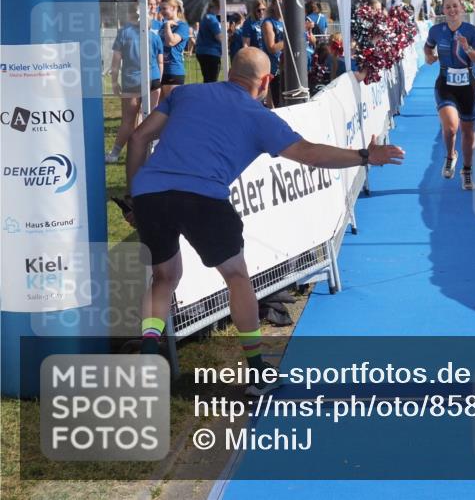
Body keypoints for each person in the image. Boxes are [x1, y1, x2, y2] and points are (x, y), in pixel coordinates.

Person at [121, 47, 404, 391]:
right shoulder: (258, 116)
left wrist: (135, 198)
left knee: (164, 278)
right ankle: (257, 372)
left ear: (229, 72)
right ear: (267, 80)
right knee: (237, 277)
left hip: (151, 193)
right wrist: (365, 156)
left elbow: (138, 137)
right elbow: (311, 154)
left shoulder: (185, 93)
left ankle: (148, 354)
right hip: (203, 198)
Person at [424, 0, 475, 190]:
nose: (452, 10)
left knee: (467, 131)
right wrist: (429, 57)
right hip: (445, 85)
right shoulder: (436, 30)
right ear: (443, 10)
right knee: (451, 127)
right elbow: (428, 47)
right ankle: (451, 155)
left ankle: (467, 170)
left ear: (461, 8)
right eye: (448, 7)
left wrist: (468, 49)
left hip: (468, 87)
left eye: (455, 6)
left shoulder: (472, 31)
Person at [106, 4, 165, 163]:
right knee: (151, 119)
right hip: (153, 80)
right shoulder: (155, 37)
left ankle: (115, 154)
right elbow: (160, 62)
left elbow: (115, 62)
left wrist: (114, 82)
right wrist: (158, 81)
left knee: (128, 120)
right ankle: (152, 152)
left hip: (131, 81)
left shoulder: (123, 33)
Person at [158, 0, 189, 99]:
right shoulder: (162, 25)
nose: (162, 11)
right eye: (160, 9)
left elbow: (171, 42)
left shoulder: (182, 26)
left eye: (164, 8)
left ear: (174, 8)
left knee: (172, 104)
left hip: (173, 70)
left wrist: (167, 26)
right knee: (159, 106)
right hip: (160, 70)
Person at [261, 0, 286, 108]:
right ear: (273, 5)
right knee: (276, 102)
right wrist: (289, 40)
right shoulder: (268, 23)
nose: (282, 4)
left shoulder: (286, 22)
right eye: (279, 2)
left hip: (286, 67)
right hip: (274, 67)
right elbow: (271, 48)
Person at [195, 0, 225, 82]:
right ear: (217, 7)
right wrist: (227, 39)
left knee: (207, 79)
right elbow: (219, 37)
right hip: (211, 53)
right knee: (212, 80)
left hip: (203, 51)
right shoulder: (212, 19)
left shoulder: (206, 17)